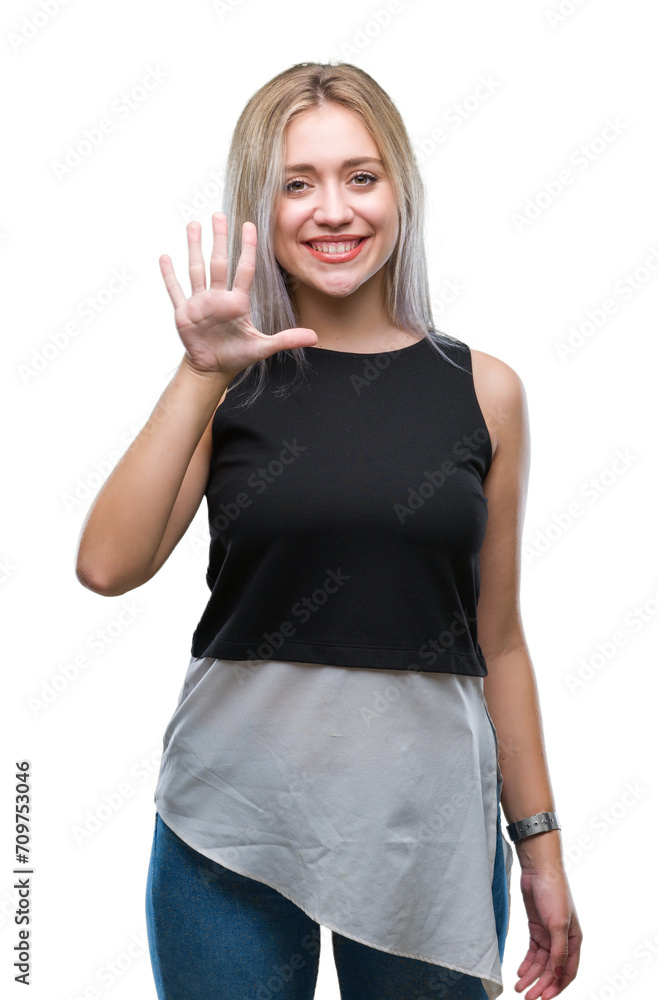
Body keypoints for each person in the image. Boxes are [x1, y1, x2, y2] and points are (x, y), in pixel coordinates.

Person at [75, 61, 583, 1000]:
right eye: (297, 184)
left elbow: (499, 641)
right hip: (230, 828)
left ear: (401, 190)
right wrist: (199, 374)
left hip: (425, 831)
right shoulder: (227, 382)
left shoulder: (486, 391)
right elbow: (106, 566)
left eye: (361, 175)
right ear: (260, 210)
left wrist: (540, 846)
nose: (333, 210)